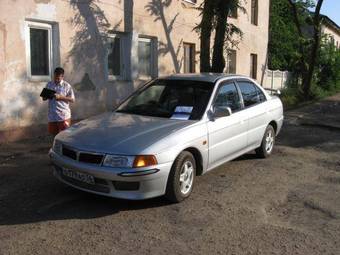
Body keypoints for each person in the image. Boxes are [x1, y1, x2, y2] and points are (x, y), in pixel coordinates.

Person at [43, 67, 75, 135]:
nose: (56, 80)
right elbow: (44, 98)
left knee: (65, 135)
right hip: (52, 116)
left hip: (63, 116)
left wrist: (61, 97)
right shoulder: (49, 84)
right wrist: (48, 95)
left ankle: (64, 146)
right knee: (53, 135)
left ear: (62, 76)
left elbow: (72, 99)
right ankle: (56, 146)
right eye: (55, 77)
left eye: (58, 78)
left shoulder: (67, 86)